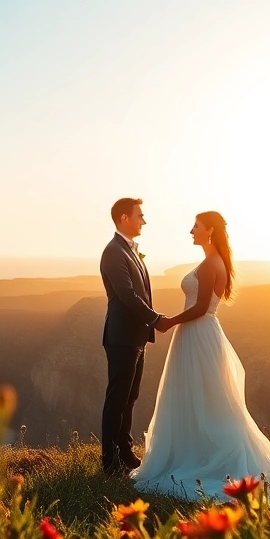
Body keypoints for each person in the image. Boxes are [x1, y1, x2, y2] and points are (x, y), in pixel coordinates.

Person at [133, 211, 270, 501]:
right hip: (199, 335)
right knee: (199, 396)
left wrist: (169, 322)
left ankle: (202, 456)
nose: (191, 230)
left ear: (210, 231)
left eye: (196, 226)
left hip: (198, 334)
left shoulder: (210, 264)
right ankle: (196, 449)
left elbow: (201, 308)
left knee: (203, 396)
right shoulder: (214, 261)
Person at [98, 198, 169, 476]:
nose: (144, 221)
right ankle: (110, 462)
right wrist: (155, 319)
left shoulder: (128, 250)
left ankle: (125, 451)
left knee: (130, 397)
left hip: (135, 336)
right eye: (140, 216)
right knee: (117, 400)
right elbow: (127, 294)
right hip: (121, 337)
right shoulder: (113, 251)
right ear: (124, 218)